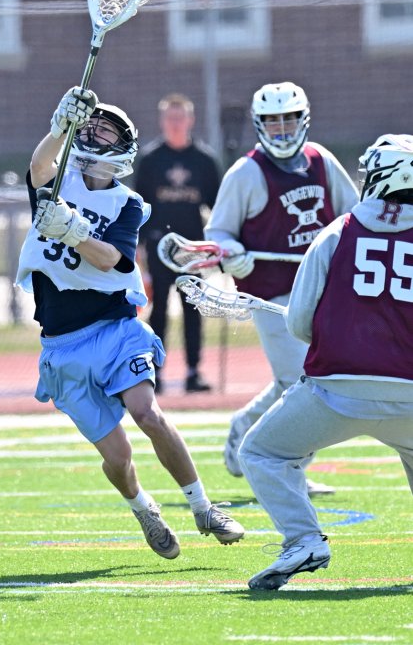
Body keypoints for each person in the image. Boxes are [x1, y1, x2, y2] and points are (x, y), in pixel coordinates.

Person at [16, 86, 244, 559]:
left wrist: (74, 231)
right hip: (63, 345)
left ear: (122, 148)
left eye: (106, 130)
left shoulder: (128, 204)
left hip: (115, 327)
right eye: (90, 126)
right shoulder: (57, 181)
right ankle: (144, 509)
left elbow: (116, 263)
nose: (95, 132)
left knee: (148, 413)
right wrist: (59, 127)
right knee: (117, 457)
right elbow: (40, 168)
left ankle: (203, 507)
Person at [239, 133, 413, 590]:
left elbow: (298, 324)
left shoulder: (337, 232)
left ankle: (303, 539)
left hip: (336, 391)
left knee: (261, 453)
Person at [204, 81, 359, 496]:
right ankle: (285, 467)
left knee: (301, 380)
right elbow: (219, 231)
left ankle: (244, 429)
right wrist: (232, 253)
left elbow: (352, 213)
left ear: (303, 119)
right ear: (260, 125)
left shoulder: (321, 161)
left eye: (289, 119)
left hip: (321, 291)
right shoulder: (247, 172)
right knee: (301, 381)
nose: (283, 129)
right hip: (270, 293)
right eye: (273, 121)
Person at [134, 93, 221, 393]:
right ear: (162, 121)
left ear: (190, 120)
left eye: (180, 117)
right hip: (158, 246)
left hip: (191, 249)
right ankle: (155, 370)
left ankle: (194, 371)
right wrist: (138, 250)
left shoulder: (205, 161)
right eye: (170, 118)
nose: (175, 124)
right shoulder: (150, 160)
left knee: (192, 309)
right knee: (157, 312)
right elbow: (138, 209)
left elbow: (218, 206)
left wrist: (221, 243)